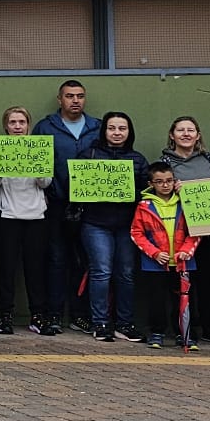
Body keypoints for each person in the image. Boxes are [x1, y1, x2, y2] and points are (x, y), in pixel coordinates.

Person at [34, 80, 102, 332]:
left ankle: (79, 314)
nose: (75, 100)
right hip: (55, 204)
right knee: (56, 260)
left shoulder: (98, 127)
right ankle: (54, 314)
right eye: (70, 96)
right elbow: (35, 163)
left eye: (80, 96)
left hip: (89, 206)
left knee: (84, 261)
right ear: (59, 99)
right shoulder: (45, 127)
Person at [77, 112, 146, 343]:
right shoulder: (88, 156)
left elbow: (147, 192)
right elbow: (74, 186)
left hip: (128, 225)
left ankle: (124, 323)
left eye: (122, 128)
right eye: (112, 128)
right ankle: (101, 322)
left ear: (129, 132)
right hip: (96, 223)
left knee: (126, 274)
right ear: (104, 131)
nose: (117, 133)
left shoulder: (138, 159)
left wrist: (129, 192)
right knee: (101, 271)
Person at [159, 116, 210, 345]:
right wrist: (171, 189)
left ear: (198, 135)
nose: (186, 134)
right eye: (180, 130)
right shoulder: (163, 162)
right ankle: (184, 327)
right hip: (179, 231)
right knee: (180, 281)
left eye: (191, 130)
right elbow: (156, 193)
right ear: (172, 135)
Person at [0, 106, 54, 336]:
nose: (18, 127)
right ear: (6, 126)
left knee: (35, 269)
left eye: (22, 122)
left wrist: (36, 167)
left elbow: (45, 183)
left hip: (36, 215)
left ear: (28, 125)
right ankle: (5, 314)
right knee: (6, 269)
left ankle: (38, 315)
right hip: (6, 214)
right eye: (13, 122)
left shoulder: (39, 149)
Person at [131, 161, 202, 350]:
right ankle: (157, 333)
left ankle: (185, 334)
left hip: (183, 263)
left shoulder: (185, 202)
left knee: (184, 300)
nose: (165, 185)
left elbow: (196, 229)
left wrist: (186, 251)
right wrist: (154, 253)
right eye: (160, 181)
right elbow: (136, 233)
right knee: (156, 300)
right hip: (155, 264)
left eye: (169, 180)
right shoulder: (144, 206)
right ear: (151, 184)